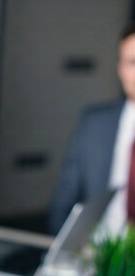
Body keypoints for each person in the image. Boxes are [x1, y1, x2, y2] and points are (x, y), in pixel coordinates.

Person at [50, 23, 135, 235]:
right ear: (120, 69)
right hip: (98, 251)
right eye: (133, 62)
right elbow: (65, 199)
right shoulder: (94, 123)